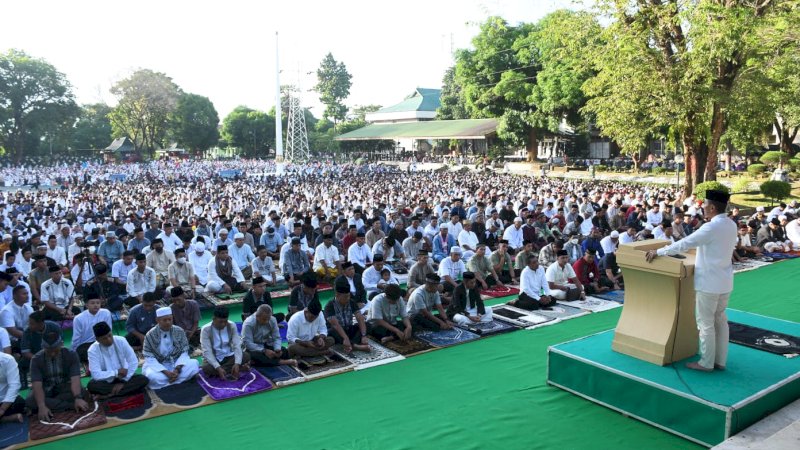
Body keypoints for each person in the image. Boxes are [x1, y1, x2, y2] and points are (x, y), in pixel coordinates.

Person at [646, 189, 737, 372]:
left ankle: (706, 363)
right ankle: (720, 361)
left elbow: (685, 243)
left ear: (711, 207)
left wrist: (658, 252)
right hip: (724, 281)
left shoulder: (711, 226)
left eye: (704, 204)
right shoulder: (731, 224)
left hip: (709, 283)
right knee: (720, 320)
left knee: (706, 323)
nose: (702, 207)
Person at [26, 330, 90, 420]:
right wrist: (41, 406)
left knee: (82, 392)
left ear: (61, 344)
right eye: (49, 351)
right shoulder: (36, 359)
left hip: (64, 386)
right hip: (46, 389)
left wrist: (78, 397)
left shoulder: (71, 355)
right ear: (43, 347)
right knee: (30, 401)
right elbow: (37, 385)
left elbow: (75, 379)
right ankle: (70, 406)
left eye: (55, 351)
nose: (52, 354)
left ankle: (56, 404)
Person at [142, 306, 200, 389]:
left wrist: (177, 369)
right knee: (151, 376)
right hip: (160, 365)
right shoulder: (150, 334)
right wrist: (166, 372)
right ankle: (176, 380)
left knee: (194, 364)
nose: (168, 322)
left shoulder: (179, 331)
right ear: (157, 320)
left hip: (176, 363)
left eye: (170, 319)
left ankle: (169, 381)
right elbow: (149, 356)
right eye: (164, 320)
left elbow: (184, 351)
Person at [87, 322, 149, 399]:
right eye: (104, 338)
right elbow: (96, 374)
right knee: (92, 386)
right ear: (98, 340)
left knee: (143, 380)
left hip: (124, 377)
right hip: (106, 380)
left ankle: (109, 395)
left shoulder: (121, 341)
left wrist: (123, 381)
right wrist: (116, 372)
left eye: (110, 336)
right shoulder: (92, 350)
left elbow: (133, 361)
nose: (109, 340)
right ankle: (123, 392)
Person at [200, 306, 250, 379]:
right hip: (214, 357)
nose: (223, 324)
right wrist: (218, 367)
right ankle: (236, 369)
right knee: (206, 368)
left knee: (246, 355)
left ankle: (227, 370)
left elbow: (237, 345)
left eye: (225, 321)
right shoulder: (205, 329)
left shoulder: (231, 325)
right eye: (220, 322)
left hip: (229, 356)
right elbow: (207, 351)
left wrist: (237, 363)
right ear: (213, 319)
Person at [324, 284, 370, 353]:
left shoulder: (351, 302)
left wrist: (364, 335)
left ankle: (351, 343)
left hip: (348, 328)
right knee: (332, 332)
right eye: (345, 297)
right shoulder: (329, 306)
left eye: (349, 296)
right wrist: (345, 338)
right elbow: (335, 325)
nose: (348, 298)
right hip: (337, 331)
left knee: (367, 324)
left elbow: (359, 318)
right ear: (337, 295)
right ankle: (355, 346)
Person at [70, 295, 112, 364]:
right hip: (86, 344)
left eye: (98, 303)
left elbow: (109, 331)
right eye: (92, 303)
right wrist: (73, 351)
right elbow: (76, 337)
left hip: (102, 341)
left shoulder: (106, 313)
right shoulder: (78, 318)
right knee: (82, 353)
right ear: (86, 305)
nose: (96, 305)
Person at [0, 352, 25, 424]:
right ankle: (6, 419)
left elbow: (14, 386)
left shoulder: (8, 360)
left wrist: (2, 409)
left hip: (7, 402)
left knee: (19, 403)